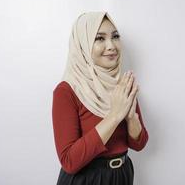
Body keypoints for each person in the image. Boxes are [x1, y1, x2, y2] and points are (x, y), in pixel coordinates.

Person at [52, 11, 149, 185]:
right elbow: (69, 161)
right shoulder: (66, 91)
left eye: (115, 36)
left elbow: (138, 145)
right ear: (83, 44)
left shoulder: (121, 84)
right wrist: (114, 116)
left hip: (122, 176)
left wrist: (132, 119)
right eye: (100, 38)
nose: (111, 45)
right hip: (86, 179)